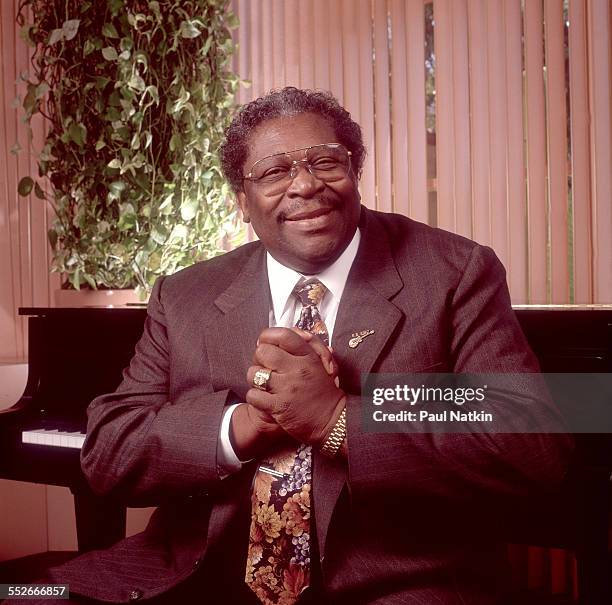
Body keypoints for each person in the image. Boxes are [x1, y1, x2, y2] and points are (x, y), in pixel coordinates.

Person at [6, 87, 572, 605]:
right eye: (275, 171)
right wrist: (239, 428)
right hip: (198, 578)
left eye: (325, 161)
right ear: (242, 200)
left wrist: (337, 418)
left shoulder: (452, 272)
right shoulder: (186, 296)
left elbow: (531, 443)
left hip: (397, 585)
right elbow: (108, 451)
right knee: (23, 592)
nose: (305, 184)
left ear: (355, 172)